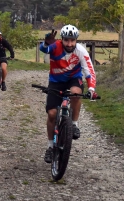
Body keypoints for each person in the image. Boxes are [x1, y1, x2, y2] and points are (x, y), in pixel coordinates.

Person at [39, 24, 97, 163]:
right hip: (55, 81)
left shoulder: (81, 51)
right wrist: (46, 42)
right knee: (52, 114)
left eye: (72, 40)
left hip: (73, 79)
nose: (69, 44)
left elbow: (89, 71)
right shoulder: (55, 46)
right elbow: (44, 49)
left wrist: (91, 89)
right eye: (66, 40)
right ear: (62, 39)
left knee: (76, 93)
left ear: (76, 40)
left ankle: (74, 124)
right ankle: (50, 147)